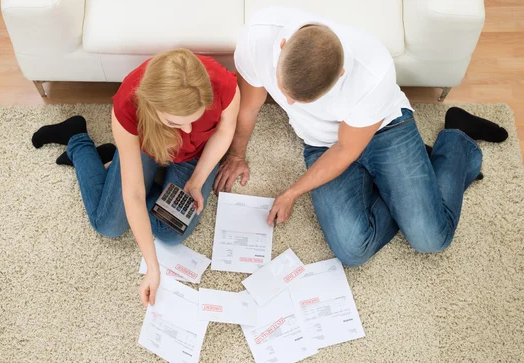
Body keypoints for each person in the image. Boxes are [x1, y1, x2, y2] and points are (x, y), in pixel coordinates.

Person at [214, 7, 508, 266]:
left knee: (432, 238)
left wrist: (292, 192)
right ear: (282, 46)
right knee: (353, 249)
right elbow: (250, 106)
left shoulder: (373, 70)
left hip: (385, 131)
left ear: (341, 74)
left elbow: (346, 150)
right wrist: (236, 155)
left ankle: (458, 138)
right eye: (284, 92)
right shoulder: (259, 37)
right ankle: (419, 173)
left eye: (300, 100)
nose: (288, 105)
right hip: (323, 144)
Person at [32, 49, 240, 306]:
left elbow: (225, 130)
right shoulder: (127, 104)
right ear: (153, 108)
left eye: (194, 121)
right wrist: (153, 268)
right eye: (177, 123)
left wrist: (196, 182)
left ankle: (112, 161)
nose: (187, 130)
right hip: (147, 146)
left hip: (194, 156)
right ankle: (77, 139)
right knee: (108, 226)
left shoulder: (223, 84)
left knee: (172, 233)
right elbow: (133, 194)